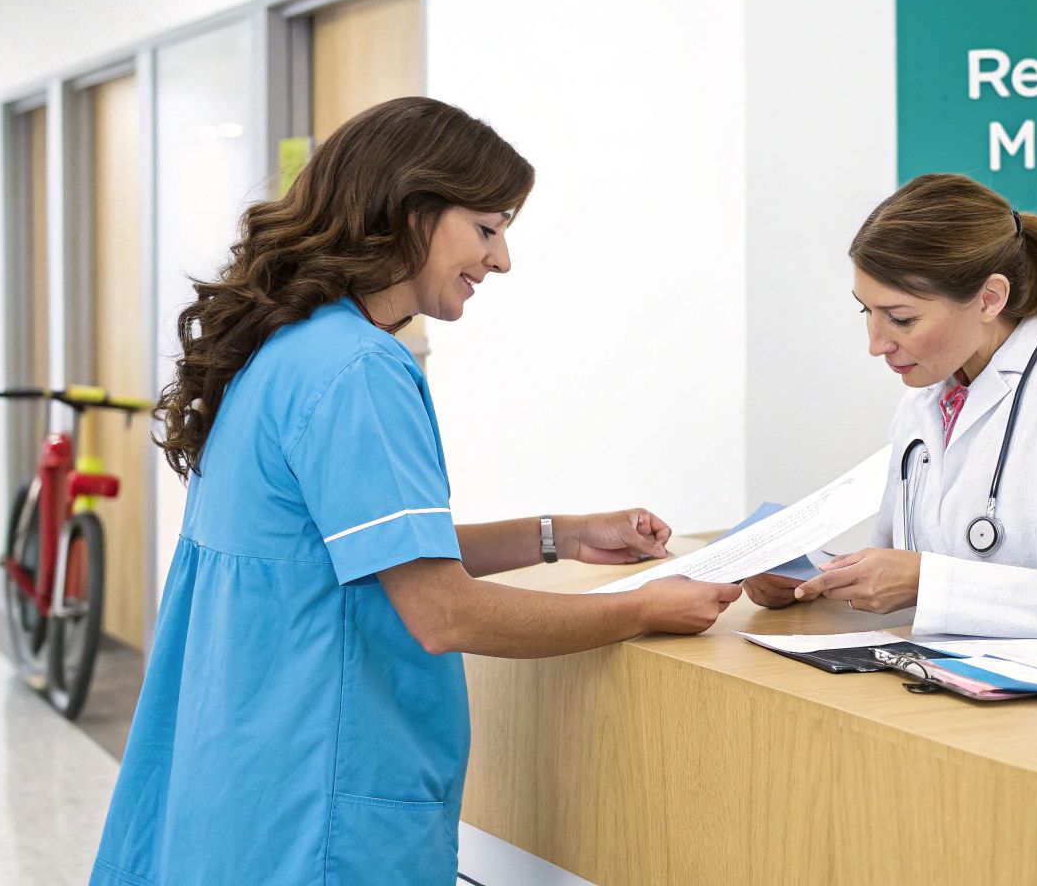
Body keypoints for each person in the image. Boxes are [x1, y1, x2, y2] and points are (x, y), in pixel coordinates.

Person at [91, 97, 739, 886]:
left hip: (248, 784)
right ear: (411, 210)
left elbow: (358, 555)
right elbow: (441, 611)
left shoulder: (288, 350)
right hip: (319, 807)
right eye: (488, 229)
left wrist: (557, 535)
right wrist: (644, 606)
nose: (499, 261)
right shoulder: (360, 370)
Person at [743, 173, 1037, 664]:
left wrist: (929, 582)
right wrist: (810, 580)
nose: (876, 343)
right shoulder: (928, 398)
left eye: (901, 318)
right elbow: (899, 578)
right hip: (967, 694)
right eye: (865, 311)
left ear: (990, 299)